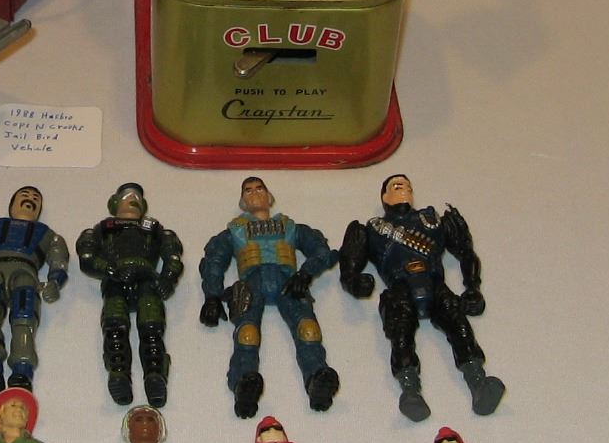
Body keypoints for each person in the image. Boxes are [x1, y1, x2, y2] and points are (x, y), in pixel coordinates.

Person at [339, 173, 505, 421]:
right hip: (400, 286)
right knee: (401, 336)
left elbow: (466, 252)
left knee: (459, 327)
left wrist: (472, 287)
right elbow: (349, 268)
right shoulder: (372, 229)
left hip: (434, 282)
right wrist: (355, 282)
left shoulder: (432, 221)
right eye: (397, 186)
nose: (404, 190)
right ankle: (410, 392)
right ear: (385, 196)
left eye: (408, 186)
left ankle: (479, 384)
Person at [199, 176, 340, 417]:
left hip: (288, 281)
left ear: (269, 196)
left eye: (259, 188)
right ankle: (243, 384)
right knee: (247, 334)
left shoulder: (291, 228)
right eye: (248, 190)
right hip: (252, 282)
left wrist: (306, 273)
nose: (254, 193)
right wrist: (212, 296)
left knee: (308, 329)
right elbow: (214, 261)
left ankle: (316, 379)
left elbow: (321, 251)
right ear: (242, 201)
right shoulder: (234, 231)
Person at [76, 183, 184, 406]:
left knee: (152, 328)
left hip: (147, 280)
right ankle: (118, 374)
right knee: (115, 327)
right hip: (116, 281)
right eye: (127, 196)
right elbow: (86, 258)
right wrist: (111, 270)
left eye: (137, 197)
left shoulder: (155, 228)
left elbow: (172, 255)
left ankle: (155, 376)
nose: (133, 199)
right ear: (115, 203)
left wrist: (167, 278)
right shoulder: (101, 229)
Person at [0, 186, 68, 393]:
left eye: (35, 199)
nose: (30, 200)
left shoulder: (48, 235)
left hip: (25, 275)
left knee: (24, 319)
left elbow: (59, 260)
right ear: (12, 205)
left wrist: (55, 282)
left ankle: (22, 371)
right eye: (25, 196)